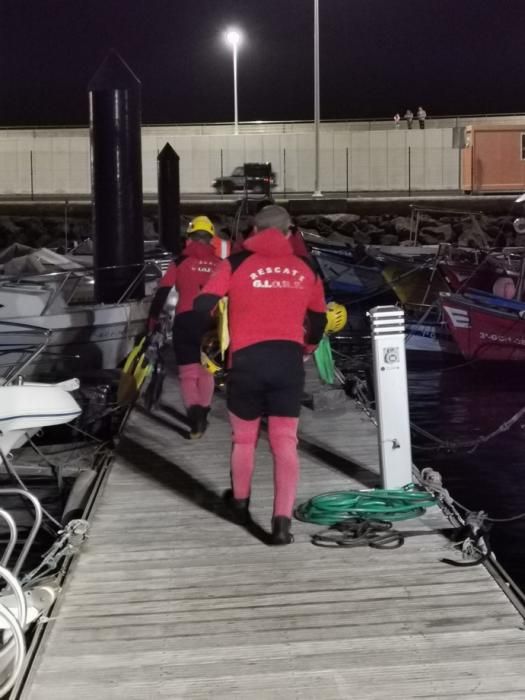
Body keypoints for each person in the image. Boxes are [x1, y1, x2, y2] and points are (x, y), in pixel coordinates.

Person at [194, 205, 327, 544]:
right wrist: (306, 349)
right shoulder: (305, 268)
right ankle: (281, 524)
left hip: (247, 362)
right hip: (287, 362)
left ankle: (240, 502)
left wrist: (215, 325)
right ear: (288, 232)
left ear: (253, 231)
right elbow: (319, 322)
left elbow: (201, 304)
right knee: (285, 442)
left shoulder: (234, 264)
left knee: (244, 438)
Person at [147, 215, 221, 438]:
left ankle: (195, 417)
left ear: (189, 238)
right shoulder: (220, 264)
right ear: (211, 238)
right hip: (211, 321)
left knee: (188, 373)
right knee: (207, 370)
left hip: (185, 319)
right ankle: (203, 414)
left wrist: (152, 320)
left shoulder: (180, 262)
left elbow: (162, 293)